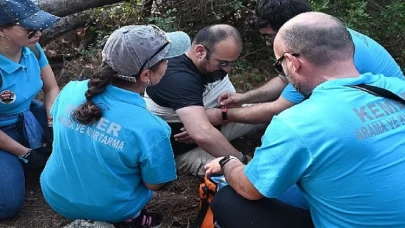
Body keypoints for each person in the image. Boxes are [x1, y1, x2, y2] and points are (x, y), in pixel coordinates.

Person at [205, 12, 405, 227]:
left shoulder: (298, 123)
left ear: (292, 62)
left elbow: (249, 189)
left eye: (279, 64)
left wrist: (228, 162)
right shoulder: (396, 89)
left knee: (228, 200)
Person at [40, 25, 191, 227]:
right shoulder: (152, 128)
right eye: (165, 59)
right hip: (111, 210)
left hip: (55, 195)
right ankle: (134, 219)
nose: (168, 63)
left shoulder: (70, 90)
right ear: (146, 75)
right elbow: (155, 184)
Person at [216, 0, 404, 125]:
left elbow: (278, 108)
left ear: (290, 28)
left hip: (385, 114)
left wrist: (222, 115)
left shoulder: (315, 53)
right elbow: (284, 81)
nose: (269, 43)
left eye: (270, 36)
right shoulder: (326, 33)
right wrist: (243, 98)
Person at [144, 24, 262, 176]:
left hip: (217, 128)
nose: (227, 69)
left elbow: (221, 115)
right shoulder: (177, 78)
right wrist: (241, 159)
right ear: (200, 51)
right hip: (186, 149)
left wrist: (215, 117)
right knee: (240, 174)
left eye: (231, 63)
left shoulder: (211, 67)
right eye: (223, 63)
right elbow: (202, 134)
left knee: (269, 112)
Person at [0, 0, 60, 219]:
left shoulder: (31, 48)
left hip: (26, 115)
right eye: (29, 28)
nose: (39, 33)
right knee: (7, 205)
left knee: (75, 131)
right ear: (2, 30)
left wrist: (52, 123)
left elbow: (52, 88)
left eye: (40, 25)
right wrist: (24, 153)